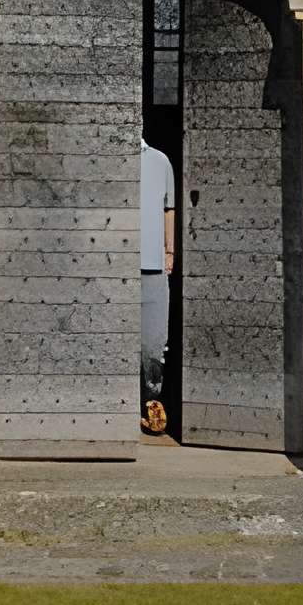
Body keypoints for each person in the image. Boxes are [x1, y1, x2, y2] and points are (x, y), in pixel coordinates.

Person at [139, 135, 175, 435]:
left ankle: (152, 399)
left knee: (153, 342)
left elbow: (169, 208)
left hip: (152, 266)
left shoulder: (160, 161)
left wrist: (169, 251)